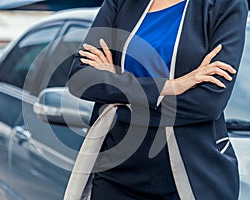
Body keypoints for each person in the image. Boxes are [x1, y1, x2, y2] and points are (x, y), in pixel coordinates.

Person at [67, 0, 248, 199]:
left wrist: (118, 86)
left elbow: (207, 103)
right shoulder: (121, 2)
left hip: (190, 176)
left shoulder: (226, 5)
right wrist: (170, 86)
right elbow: (80, 78)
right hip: (114, 174)